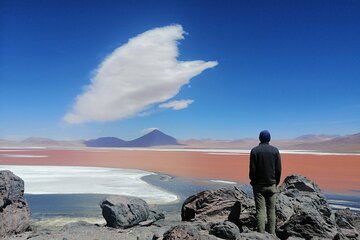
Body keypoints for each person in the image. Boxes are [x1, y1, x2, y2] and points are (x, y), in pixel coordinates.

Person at [249, 130, 281, 234]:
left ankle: (261, 234)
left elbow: (252, 170)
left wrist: (253, 180)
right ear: (269, 139)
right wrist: (276, 182)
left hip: (259, 186)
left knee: (260, 210)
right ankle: (272, 233)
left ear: (260, 138)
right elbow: (279, 169)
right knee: (271, 210)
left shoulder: (254, 151)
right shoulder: (275, 150)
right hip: (271, 184)